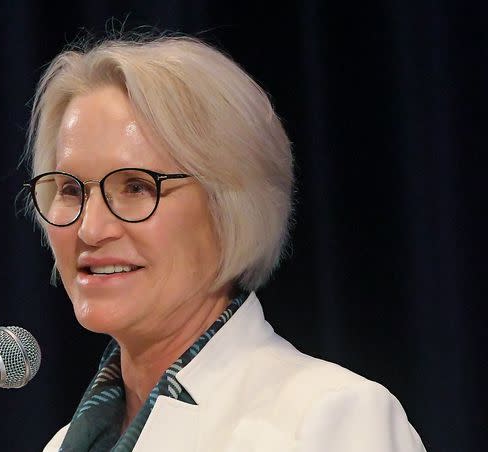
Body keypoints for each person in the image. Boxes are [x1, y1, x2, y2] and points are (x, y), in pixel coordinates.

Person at [21, 34, 426, 452]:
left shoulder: (327, 420)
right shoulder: (61, 445)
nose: (90, 228)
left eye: (137, 187)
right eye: (70, 189)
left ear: (230, 207)